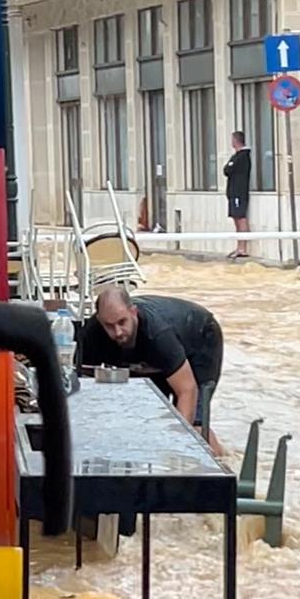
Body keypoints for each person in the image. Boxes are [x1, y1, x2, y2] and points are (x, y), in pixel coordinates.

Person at [81, 287, 224, 454]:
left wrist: (174, 446)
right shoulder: (92, 333)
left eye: (122, 322)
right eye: (109, 326)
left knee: (194, 428)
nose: (118, 332)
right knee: (150, 416)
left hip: (200, 337)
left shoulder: (158, 335)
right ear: (99, 320)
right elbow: (83, 382)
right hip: (153, 358)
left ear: (133, 312)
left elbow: (187, 390)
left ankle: (224, 465)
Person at [224, 130, 252, 260]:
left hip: (239, 192)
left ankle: (243, 248)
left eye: (232, 139)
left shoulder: (242, 156)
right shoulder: (236, 156)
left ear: (236, 141)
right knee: (235, 218)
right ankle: (238, 246)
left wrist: (230, 166)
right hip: (233, 192)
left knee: (240, 217)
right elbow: (227, 169)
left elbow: (228, 169)